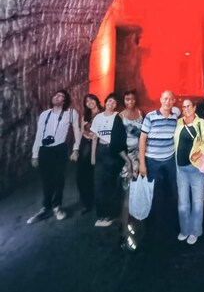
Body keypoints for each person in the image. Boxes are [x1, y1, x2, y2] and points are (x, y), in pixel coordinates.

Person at [27, 90, 81, 224]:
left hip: (59, 149)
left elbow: (77, 131)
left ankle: (57, 206)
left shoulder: (71, 113)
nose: (57, 97)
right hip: (44, 150)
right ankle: (46, 207)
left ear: (64, 101)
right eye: (56, 95)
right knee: (46, 181)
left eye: (61, 96)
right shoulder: (44, 114)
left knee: (58, 179)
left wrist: (76, 149)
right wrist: (35, 154)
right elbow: (39, 134)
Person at [139, 90, 181, 239]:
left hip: (169, 160)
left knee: (172, 193)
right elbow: (142, 139)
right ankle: (151, 229)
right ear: (160, 99)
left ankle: (170, 226)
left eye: (170, 99)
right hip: (153, 161)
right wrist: (142, 163)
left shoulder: (174, 118)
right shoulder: (150, 116)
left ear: (174, 101)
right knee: (154, 194)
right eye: (165, 98)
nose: (167, 101)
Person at [174, 99, 204, 245]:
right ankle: (184, 229)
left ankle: (195, 231)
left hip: (195, 168)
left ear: (194, 108)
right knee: (183, 202)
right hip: (180, 168)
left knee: (197, 201)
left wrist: (198, 153)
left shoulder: (201, 123)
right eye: (184, 107)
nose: (186, 109)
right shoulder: (179, 123)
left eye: (189, 106)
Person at [90, 93, 133, 227]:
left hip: (113, 152)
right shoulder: (98, 117)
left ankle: (110, 215)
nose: (111, 104)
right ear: (105, 102)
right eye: (109, 101)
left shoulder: (117, 117)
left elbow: (120, 138)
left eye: (114, 103)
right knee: (99, 184)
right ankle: (101, 214)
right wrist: (93, 156)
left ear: (116, 106)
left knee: (111, 184)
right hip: (101, 151)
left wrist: (125, 158)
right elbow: (94, 138)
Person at [119, 90, 144, 250]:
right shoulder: (120, 116)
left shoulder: (140, 113)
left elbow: (143, 135)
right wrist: (127, 161)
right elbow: (117, 141)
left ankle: (134, 224)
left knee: (138, 193)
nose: (130, 101)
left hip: (139, 157)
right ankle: (124, 231)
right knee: (127, 196)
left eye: (132, 99)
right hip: (126, 158)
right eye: (127, 99)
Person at [77, 94, 102, 214]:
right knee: (82, 176)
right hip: (85, 145)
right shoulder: (85, 115)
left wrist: (94, 136)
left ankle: (98, 202)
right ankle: (86, 203)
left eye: (92, 100)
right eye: (87, 101)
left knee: (95, 176)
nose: (90, 102)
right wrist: (86, 135)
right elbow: (82, 131)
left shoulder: (103, 114)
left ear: (96, 100)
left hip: (99, 145)